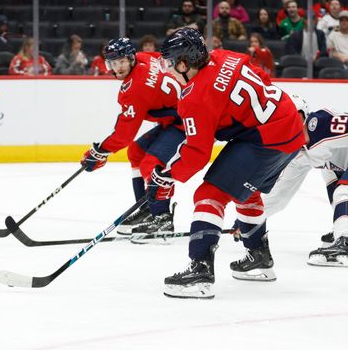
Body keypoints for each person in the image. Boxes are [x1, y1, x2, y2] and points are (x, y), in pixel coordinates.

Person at [155, 27, 305, 298]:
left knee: (209, 195)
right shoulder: (225, 56)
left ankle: (200, 270)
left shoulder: (194, 97)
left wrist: (168, 173)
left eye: (170, 62)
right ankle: (258, 258)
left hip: (265, 138)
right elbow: (261, 78)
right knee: (246, 191)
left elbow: (197, 153)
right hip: (290, 128)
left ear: (184, 62)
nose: (167, 69)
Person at [245, 95, 348, 269]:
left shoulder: (320, 123)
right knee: (329, 175)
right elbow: (279, 196)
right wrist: (249, 221)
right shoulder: (296, 153)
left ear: (302, 116)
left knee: (344, 192)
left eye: (289, 117)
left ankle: (345, 241)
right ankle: (342, 229)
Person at [79, 37, 185, 240]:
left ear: (130, 58)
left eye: (121, 62)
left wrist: (100, 151)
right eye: (112, 63)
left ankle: (162, 218)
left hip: (187, 121)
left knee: (152, 163)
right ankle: (147, 207)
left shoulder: (134, 89)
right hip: (174, 118)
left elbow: (124, 134)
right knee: (136, 152)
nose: (117, 68)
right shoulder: (145, 57)